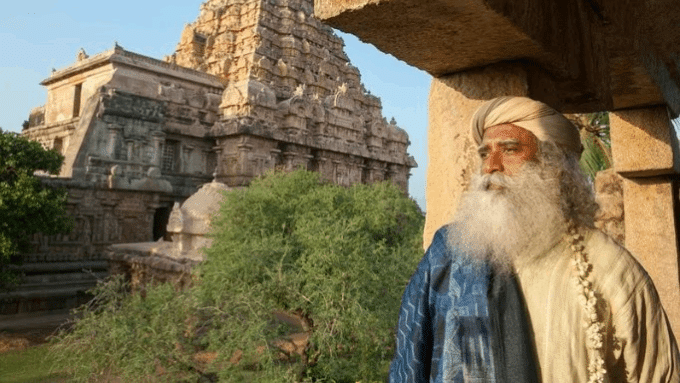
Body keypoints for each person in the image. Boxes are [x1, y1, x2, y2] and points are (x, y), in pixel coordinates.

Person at [389, 96, 680, 383]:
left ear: (552, 165)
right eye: (484, 153)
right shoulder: (448, 254)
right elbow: (409, 362)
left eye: (510, 149)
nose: (491, 166)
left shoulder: (609, 270)